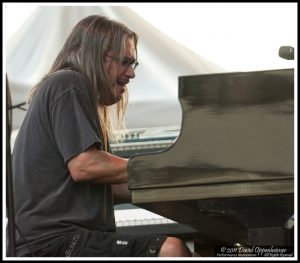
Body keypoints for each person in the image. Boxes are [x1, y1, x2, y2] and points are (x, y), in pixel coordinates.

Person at [10, 15, 193, 257]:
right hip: (54, 242)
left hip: (53, 240)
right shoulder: (69, 83)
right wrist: (158, 168)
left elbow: (108, 191)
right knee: (172, 249)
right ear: (99, 56)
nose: (132, 73)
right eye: (126, 62)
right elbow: (85, 167)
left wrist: (186, 192)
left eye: (133, 64)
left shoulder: (68, 90)